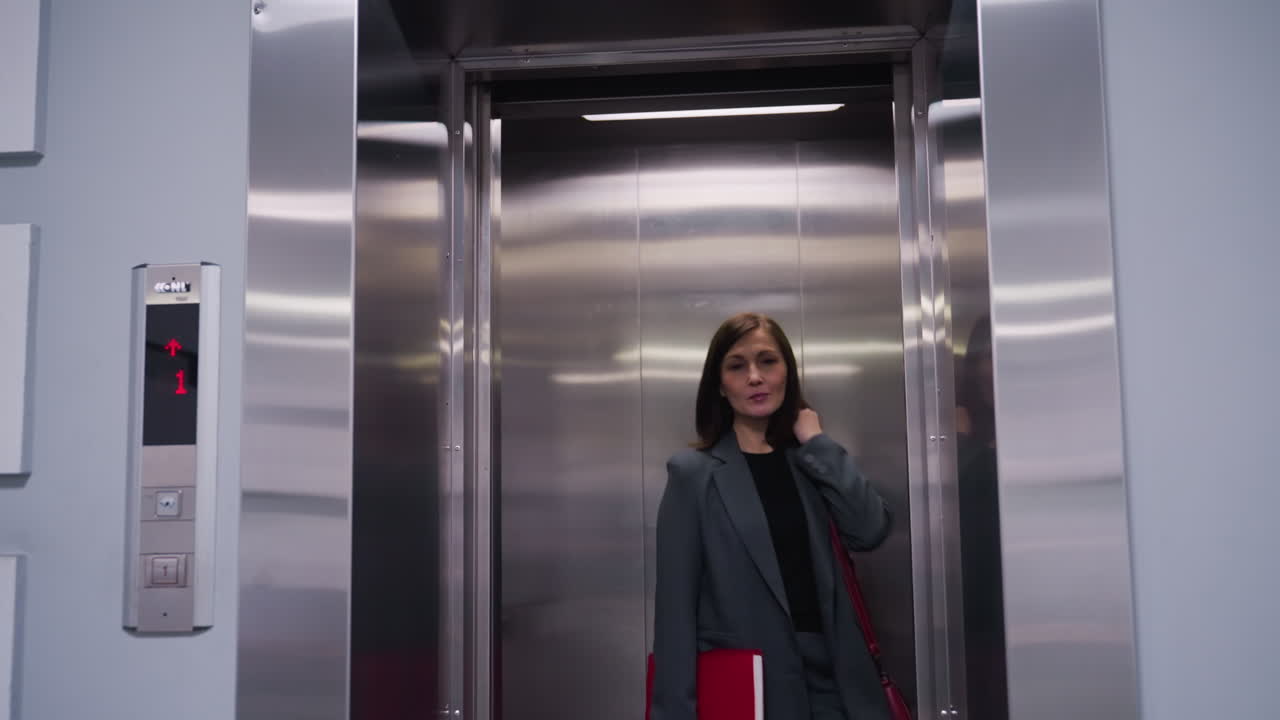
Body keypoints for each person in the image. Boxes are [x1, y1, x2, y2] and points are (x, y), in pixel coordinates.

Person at [651, 312, 894, 720]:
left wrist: (816, 441)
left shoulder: (811, 463)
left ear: (787, 373)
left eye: (767, 361)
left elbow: (869, 530)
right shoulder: (694, 475)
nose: (755, 377)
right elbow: (675, 615)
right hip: (755, 692)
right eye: (737, 366)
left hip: (840, 689)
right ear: (721, 387)